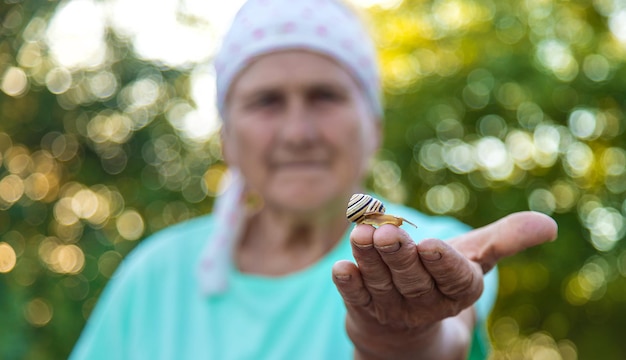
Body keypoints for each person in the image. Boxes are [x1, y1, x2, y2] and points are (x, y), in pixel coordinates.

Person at [70, 0, 558, 359]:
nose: (298, 133)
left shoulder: (435, 246)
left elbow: (447, 339)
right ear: (226, 139)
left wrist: (406, 340)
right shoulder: (155, 274)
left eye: (325, 96)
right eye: (266, 101)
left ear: (374, 130)